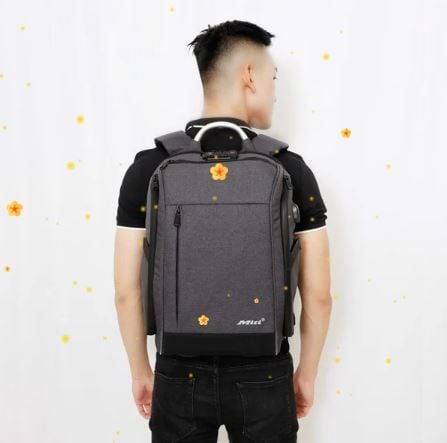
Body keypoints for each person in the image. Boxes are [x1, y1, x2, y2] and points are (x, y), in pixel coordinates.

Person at [114, 20, 332, 443]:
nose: (275, 91)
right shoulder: (290, 169)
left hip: (177, 371)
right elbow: (319, 294)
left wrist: (141, 370)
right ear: (249, 75)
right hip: (265, 372)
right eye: (273, 78)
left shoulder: (148, 168)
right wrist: (306, 373)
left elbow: (127, 291)